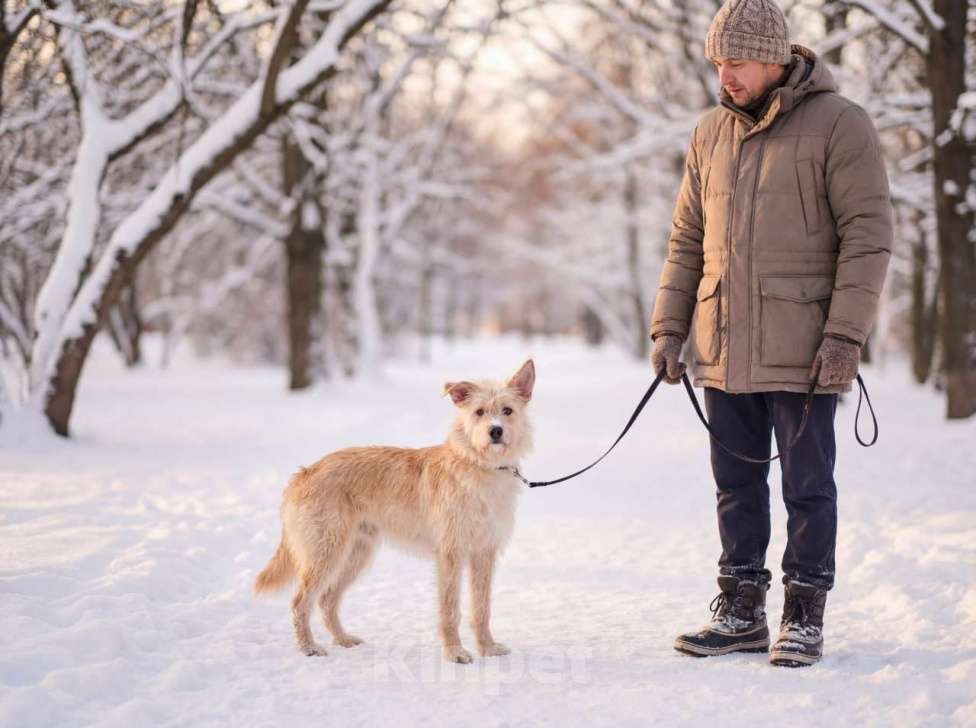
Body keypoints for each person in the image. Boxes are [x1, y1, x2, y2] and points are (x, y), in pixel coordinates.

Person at [648, 0, 892, 667]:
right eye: (717, 62)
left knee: (808, 485)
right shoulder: (708, 133)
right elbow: (687, 239)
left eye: (737, 62)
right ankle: (741, 610)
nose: (724, 75)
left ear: (775, 56)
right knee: (735, 484)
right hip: (723, 343)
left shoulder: (840, 124)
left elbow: (869, 236)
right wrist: (669, 329)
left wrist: (845, 334)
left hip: (806, 347)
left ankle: (805, 614)